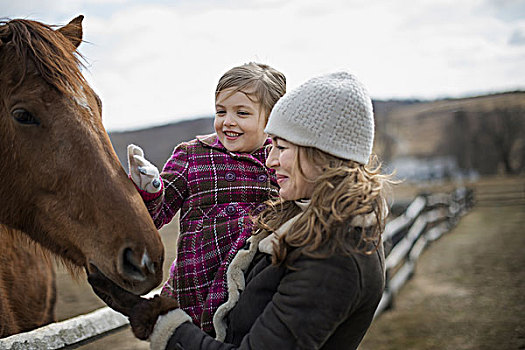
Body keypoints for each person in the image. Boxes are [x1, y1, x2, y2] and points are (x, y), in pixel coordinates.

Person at [89, 71, 391, 349]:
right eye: (221, 111)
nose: (270, 161)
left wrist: (159, 322)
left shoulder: (334, 256)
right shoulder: (304, 217)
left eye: (282, 147)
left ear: (321, 154)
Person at [126, 62, 286, 334]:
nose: (228, 121)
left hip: (251, 294)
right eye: (221, 111)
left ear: (271, 119)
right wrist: (149, 189)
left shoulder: (280, 161)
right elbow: (157, 213)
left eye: (242, 113)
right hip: (193, 289)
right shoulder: (193, 155)